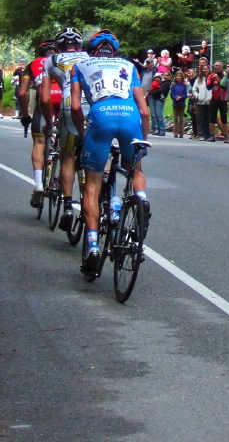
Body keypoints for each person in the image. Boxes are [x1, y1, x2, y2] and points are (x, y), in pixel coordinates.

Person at [70, 29, 150, 276]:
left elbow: (74, 106)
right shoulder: (128, 65)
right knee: (134, 169)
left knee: (92, 186)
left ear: (92, 50)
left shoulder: (81, 65)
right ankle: (141, 200)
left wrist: (83, 136)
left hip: (101, 114)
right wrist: (142, 143)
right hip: (130, 115)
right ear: (114, 51)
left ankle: (93, 244)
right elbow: (145, 111)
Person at [40, 27, 90, 231]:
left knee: (68, 156)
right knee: (96, 156)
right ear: (78, 45)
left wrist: (49, 123)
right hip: (93, 106)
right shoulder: (90, 57)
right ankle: (96, 200)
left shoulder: (51, 61)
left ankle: (68, 206)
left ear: (59, 46)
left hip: (69, 107)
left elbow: (44, 98)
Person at [19, 40, 60, 207]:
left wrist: (25, 115)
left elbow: (22, 93)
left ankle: (39, 184)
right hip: (64, 101)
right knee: (67, 144)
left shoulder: (34, 64)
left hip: (45, 101)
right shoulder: (64, 61)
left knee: (39, 142)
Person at [191, 64, 213, 141]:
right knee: (201, 118)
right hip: (200, 102)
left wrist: (211, 97)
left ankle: (208, 134)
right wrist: (197, 96)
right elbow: (194, 89)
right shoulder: (198, 79)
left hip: (209, 102)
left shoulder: (212, 78)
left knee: (208, 118)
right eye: (203, 69)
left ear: (209, 70)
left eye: (206, 69)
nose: (205, 70)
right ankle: (202, 134)